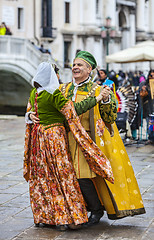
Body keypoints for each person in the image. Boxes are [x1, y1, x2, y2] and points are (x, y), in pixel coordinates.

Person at [30, 51, 145, 226]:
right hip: (64, 139)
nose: (75, 67)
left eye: (80, 65)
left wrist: (105, 101)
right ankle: (78, 209)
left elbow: (110, 117)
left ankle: (96, 209)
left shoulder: (99, 90)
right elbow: (42, 104)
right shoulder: (62, 88)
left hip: (89, 139)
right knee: (68, 177)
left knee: (82, 175)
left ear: (89, 69)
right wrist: (30, 114)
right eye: (74, 64)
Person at [24, 62, 114, 231]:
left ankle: (43, 216)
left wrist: (29, 115)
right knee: (63, 177)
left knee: (43, 178)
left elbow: (30, 112)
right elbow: (73, 111)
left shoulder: (34, 92)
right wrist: (97, 98)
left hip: (39, 139)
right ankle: (66, 218)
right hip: (54, 139)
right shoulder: (54, 94)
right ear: (53, 76)